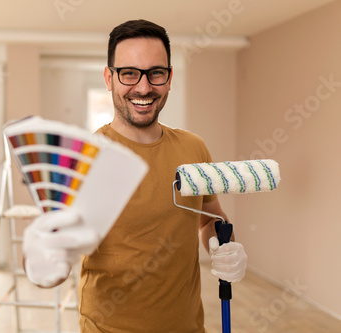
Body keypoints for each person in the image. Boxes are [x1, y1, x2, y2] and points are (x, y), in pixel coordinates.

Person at [23, 19, 247, 333]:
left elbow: (210, 220)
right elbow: (54, 257)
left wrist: (223, 247)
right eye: (129, 73)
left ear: (169, 79)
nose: (143, 87)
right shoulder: (83, 160)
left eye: (155, 73)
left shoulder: (194, 149)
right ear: (109, 78)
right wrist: (39, 260)